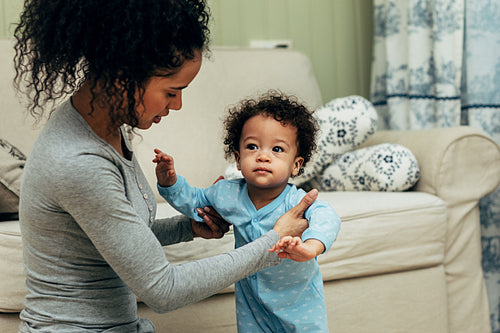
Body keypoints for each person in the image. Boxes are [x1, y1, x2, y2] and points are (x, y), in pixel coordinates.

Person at [13, 1, 318, 332]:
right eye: (172, 91)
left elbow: (116, 235)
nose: (178, 105)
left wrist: (188, 228)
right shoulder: (78, 163)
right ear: (123, 77)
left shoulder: (108, 124)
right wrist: (273, 241)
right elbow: (163, 289)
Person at [154, 92, 341, 332]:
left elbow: (327, 216)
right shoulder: (227, 193)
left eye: (277, 149)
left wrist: (311, 247)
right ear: (238, 160)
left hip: (299, 306)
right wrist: (170, 183)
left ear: (296, 164)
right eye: (252, 146)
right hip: (252, 307)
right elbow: (196, 202)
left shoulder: (296, 203)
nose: (263, 155)